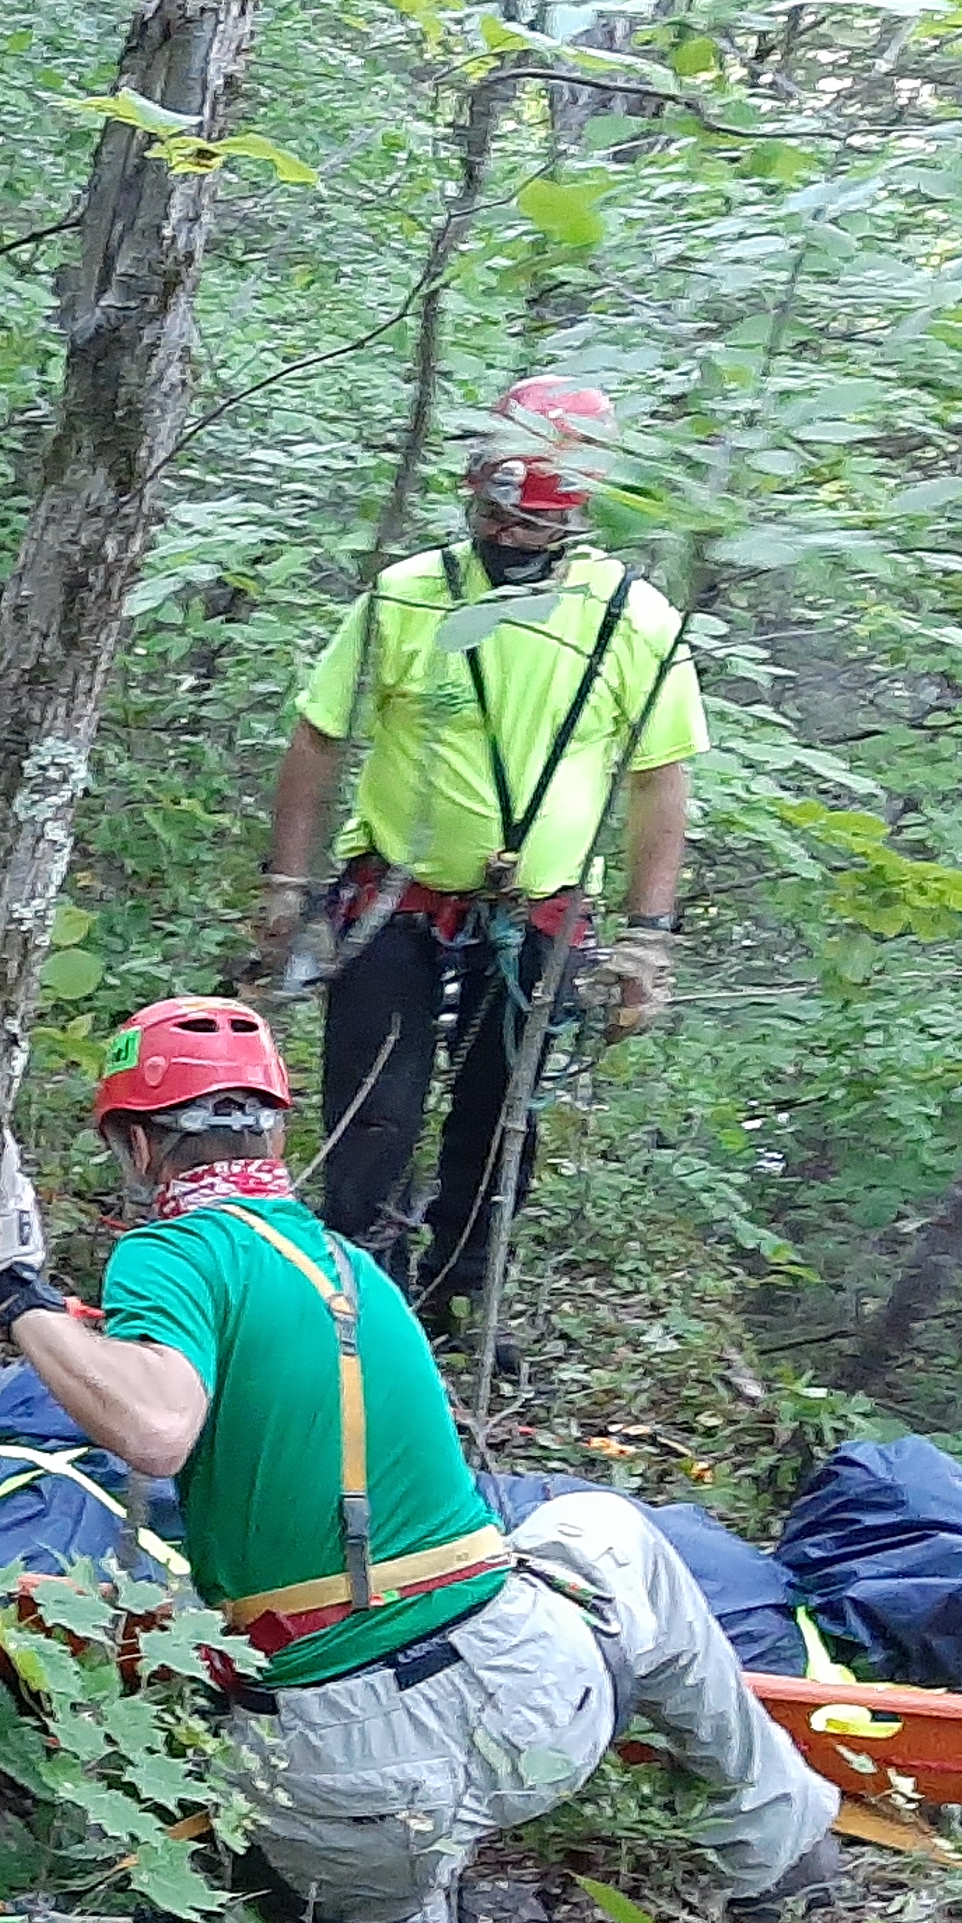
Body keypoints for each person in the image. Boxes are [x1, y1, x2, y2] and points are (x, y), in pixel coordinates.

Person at [0, 993, 842, 1923]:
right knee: (606, 1531)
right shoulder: (348, 1268)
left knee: (346, 1888)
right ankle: (775, 1836)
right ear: (275, 1135)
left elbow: (154, 1431)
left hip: (344, 1774)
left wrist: (21, 1301)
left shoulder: (169, 1253)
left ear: (138, 1145)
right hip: (540, 1694)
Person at [253, 377, 703, 1334]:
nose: (513, 538)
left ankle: (456, 1300)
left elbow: (658, 779)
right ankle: (358, 1302)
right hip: (397, 903)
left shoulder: (631, 619)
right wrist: (288, 889)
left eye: (537, 522)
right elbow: (319, 737)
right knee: (374, 1108)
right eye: (500, 515)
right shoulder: (408, 599)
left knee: (502, 1124)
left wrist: (648, 938)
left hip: (539, 914)